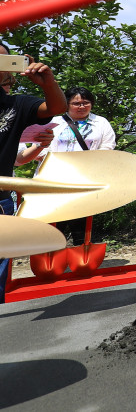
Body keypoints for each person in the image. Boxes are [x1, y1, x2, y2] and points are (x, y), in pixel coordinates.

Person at [0, 42, 66, 304]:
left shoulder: (16, 105)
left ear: (10, 71)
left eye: (3, 61)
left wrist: (47, 82)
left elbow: (56, 108)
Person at [31, 86, 116, 246]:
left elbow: (107, 147)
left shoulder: (101, 123)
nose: (82, 106)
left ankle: (80, 258)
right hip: (55, 179)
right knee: (55, 221)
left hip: (85, 179)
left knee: (81, 222)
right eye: (76, 103)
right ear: (67, 104)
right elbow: (40, 150)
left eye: (86, 103)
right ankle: (51, 258)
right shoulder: (53, 122)